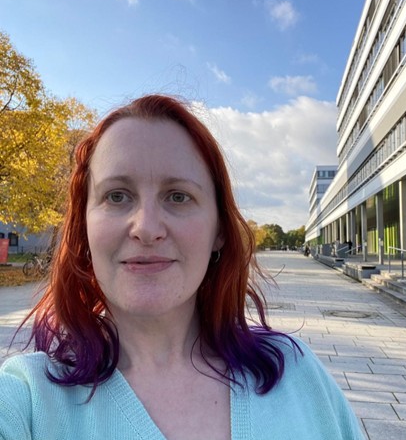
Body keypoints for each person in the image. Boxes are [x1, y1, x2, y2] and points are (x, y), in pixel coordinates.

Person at [0, 95, 364, 440]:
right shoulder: (27, 399)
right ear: (84, 226)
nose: (146, 228)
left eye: (178, 196)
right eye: (116, 196)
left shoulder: (298, 376)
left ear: (219, 230)